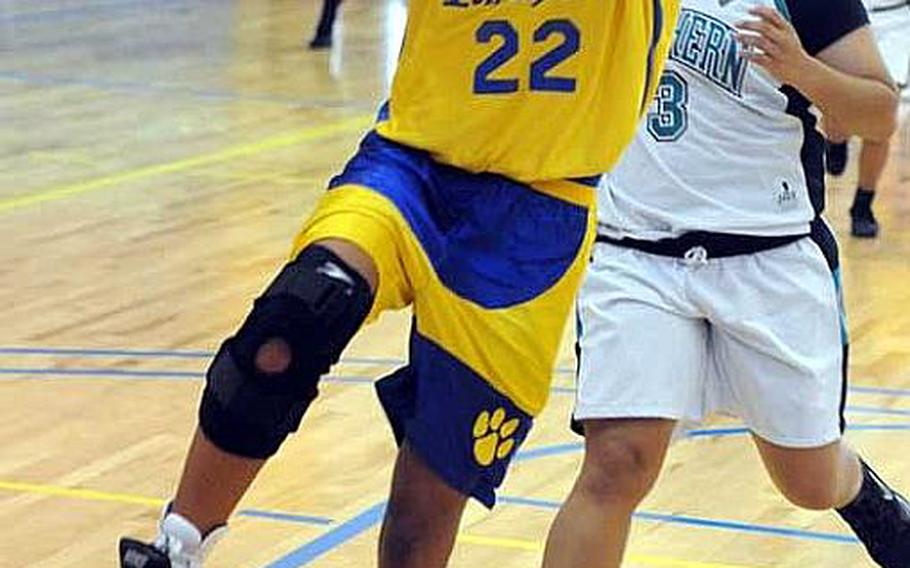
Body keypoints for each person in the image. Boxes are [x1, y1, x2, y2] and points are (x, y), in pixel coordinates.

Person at [117, 2, 680, 567]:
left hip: (535, 216)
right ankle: (178, 545)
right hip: (412, 165)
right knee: (304, 309)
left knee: (421, 517)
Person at [542, 1, 908, 567]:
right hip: (636, 254)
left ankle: (860, 490)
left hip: (770, 255)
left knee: (808, 482)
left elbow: (879, 115)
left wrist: (801, 70)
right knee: (616, 464)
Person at [824, 0, 909, 238]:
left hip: (896, 19)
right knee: (838, 105)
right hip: (842, 13)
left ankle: (863, 203)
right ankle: (837, 140)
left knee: (882, 117)